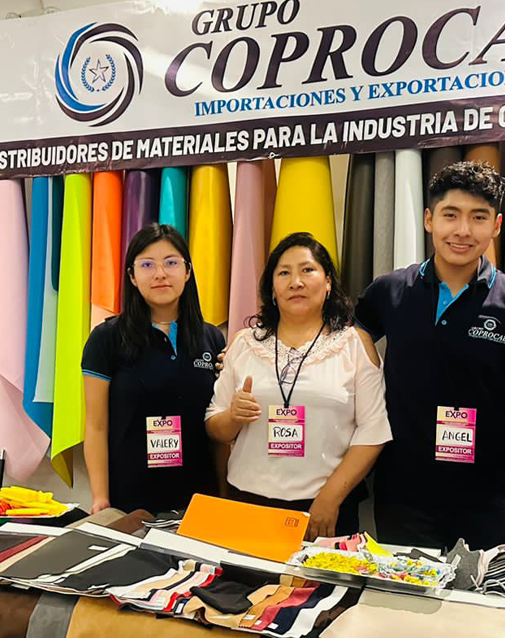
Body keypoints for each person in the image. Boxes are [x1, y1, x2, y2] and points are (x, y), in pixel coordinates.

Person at [356, 160, 505, 550]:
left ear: (497, 225)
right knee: (404, 591)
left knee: (485, 592)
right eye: (450, 215)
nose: (463, 230)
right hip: (403, 495)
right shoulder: (388, 292)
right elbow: (345, 346)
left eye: (479, 217)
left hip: (487, 496)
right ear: (429, 219)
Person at [206, 233, 392, 540]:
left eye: (307, 270)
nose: (296, 282)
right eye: (284, 273)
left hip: (325, 510)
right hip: (249, 505)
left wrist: (329, 499)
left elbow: (373, 431)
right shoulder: (244, 343)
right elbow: (215, 427)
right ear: (272, 289)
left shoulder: (354, 344)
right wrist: (233, 417)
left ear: (328, 282)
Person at [82, 223, 226, 515]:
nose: (160, 273)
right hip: (130, 498)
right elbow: (96, 425)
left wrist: (224, 494)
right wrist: (100, 496)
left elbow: (217, 425)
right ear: (132, 276)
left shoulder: (211, 337)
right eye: (147, 265)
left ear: (187, 272)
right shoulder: (106, 338)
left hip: (199, 498)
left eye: (171, 263)